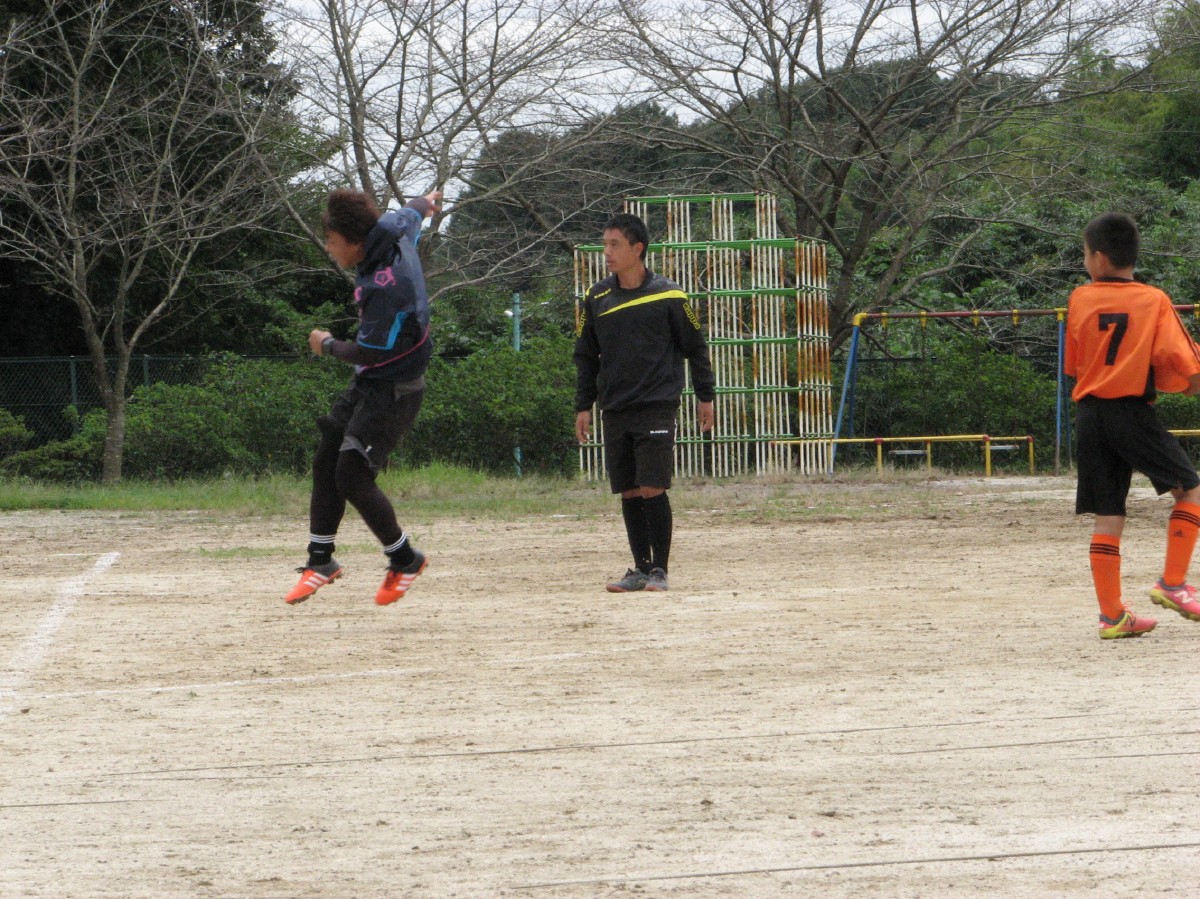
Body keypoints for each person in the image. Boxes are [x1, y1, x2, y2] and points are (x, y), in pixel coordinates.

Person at [285, 188, 442, 607]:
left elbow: (371, 351)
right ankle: (320, 561)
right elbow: (412, 212)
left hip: (395, 389)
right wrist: (426, 201)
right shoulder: (391, 228)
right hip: (371, 381)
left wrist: (327, 345)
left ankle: (405, 560)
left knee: (351, 474)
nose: (328, 248)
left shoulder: (384, 287)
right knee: (327, 455)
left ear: (355, 243)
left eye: (331, 241)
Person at [1065, 211, 1200, 639]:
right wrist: (1190, 384)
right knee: (1191, 490)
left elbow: (1075, 365)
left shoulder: (1079, 298)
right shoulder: (1153, 300)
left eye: (1084, 254)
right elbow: (1181, 360)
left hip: (1090, 414)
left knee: (1108, 514)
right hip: (1129, 412)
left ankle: (1112, 617)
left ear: (1099, 259)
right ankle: (1173, 583)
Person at [574, 212, 716, 593]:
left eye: (614, 244)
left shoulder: (670, 294)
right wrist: (583, 405)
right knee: (629, 489)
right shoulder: (596, 298)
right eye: (605, 244)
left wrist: (706, 396)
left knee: (652, 485)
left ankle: (659, 571)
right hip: (615, 406)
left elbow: (696, 347)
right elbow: (585, 356)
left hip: (657, 404)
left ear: (637, 249)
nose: (607, 252)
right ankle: (639, 569)